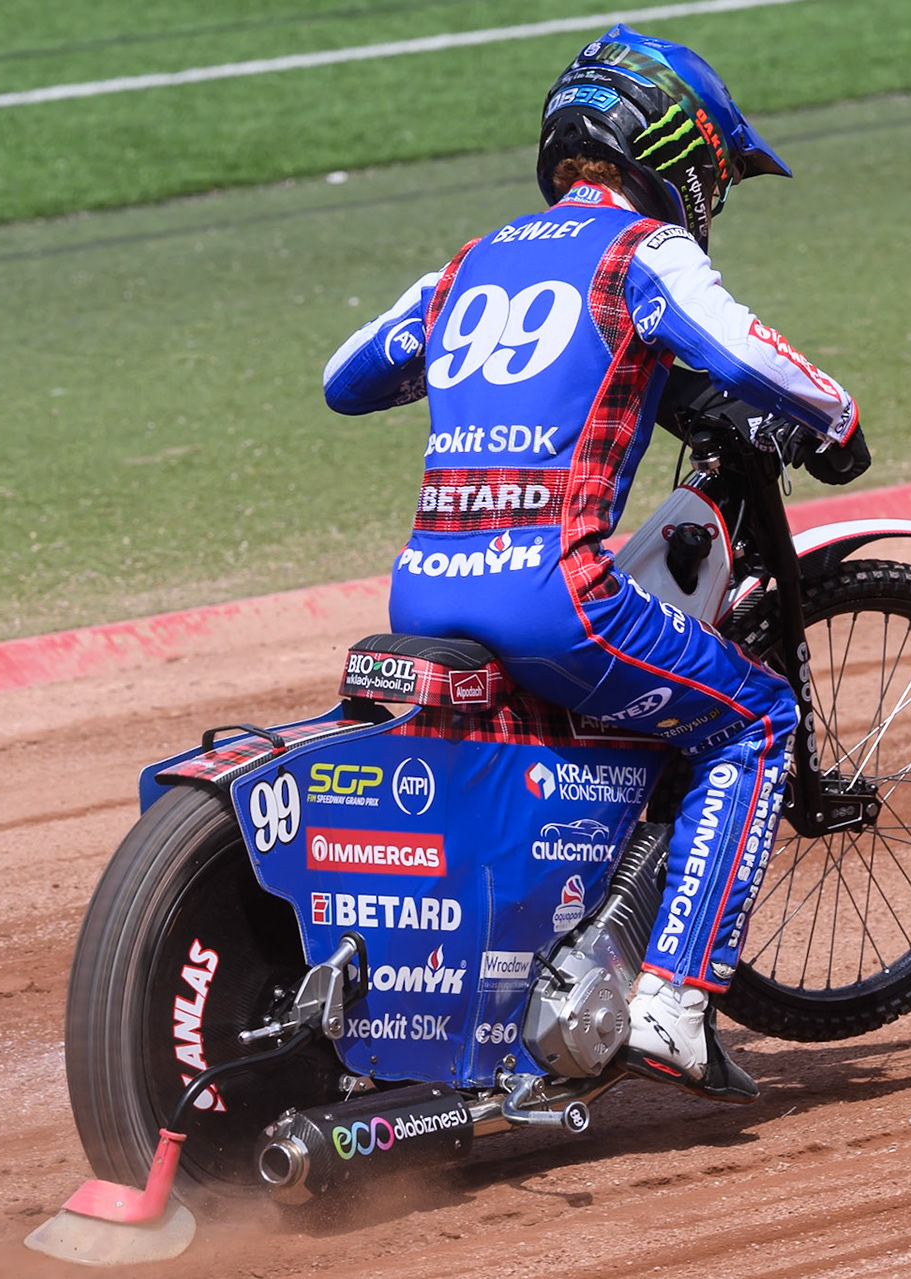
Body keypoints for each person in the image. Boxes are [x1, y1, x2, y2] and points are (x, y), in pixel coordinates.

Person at [321, 26, 872, 1102]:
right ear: (670, 152)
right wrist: (839, 419)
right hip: (553, 595)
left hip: (423, 586)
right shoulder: (645, 256)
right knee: (755, 718)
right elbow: (753, 356)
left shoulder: (470, 264)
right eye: (715, 172)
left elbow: (346, 378)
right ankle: (672, 997)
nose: (713, 197)